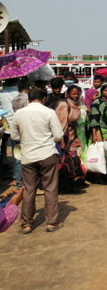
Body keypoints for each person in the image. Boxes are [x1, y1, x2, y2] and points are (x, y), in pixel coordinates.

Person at [10, 88, 64, 233]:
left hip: (28, 156)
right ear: (44, 98)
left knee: (29, 190)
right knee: (50, 189)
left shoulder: (19, 114)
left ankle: (26, 223)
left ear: (29, 98)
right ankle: (51, 222)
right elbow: (58, 135)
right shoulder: (49, 112)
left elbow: (14, 136)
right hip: (47, 154)